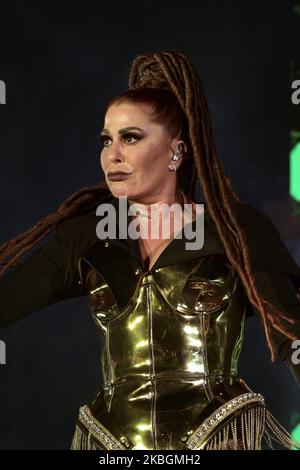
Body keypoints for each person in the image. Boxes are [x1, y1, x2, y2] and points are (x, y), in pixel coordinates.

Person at [0, 50, 300, 451]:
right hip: (111, 443)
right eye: (106, 140)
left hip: (215, 437)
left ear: (175, 151)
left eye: (131, 137)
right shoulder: (87, 237)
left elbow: (292, 334)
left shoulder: (235, 229)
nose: (113, 154)